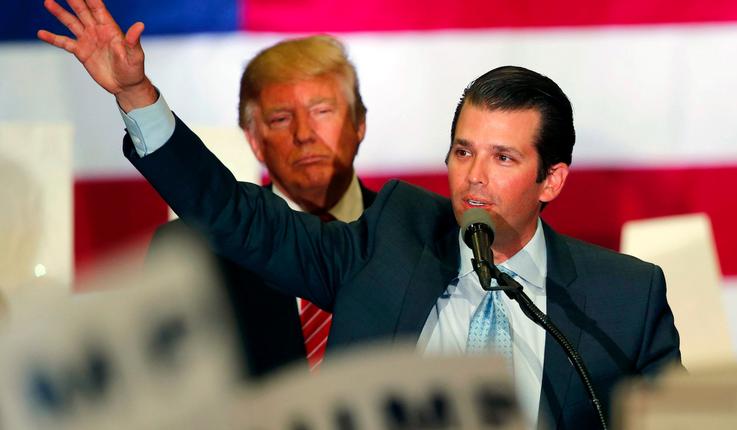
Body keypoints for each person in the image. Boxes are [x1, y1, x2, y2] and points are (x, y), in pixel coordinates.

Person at [39, 1, 681, 428]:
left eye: (503, 158)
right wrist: (136, 96)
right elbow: (238, 216)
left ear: (552, 180)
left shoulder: (624, 297)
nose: (475, 177)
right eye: (463, 152)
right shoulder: (389, 240)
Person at [148, 35, 376, 377]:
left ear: (359, 124)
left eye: (322, 111)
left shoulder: (417, 235)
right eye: (281, 119)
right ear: (255, 141)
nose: (304, 133)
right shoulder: (192, 252)